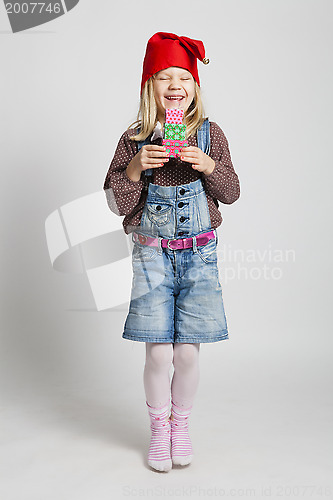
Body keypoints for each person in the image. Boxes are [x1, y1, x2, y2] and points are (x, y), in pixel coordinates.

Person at [103, 32, 240, 472]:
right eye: (164, 77)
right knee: (159, 353)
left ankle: (181, 425)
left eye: (183, 76)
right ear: (150, 86)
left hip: (198, 256)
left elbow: (233, 193)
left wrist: (209, 166)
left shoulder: (210, 134)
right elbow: (114, 204)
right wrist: (134, 167)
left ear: (194, 86)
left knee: (187, 353)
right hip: (152, 257)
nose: (175, 84)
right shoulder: (134, 138)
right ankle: (159, 428)